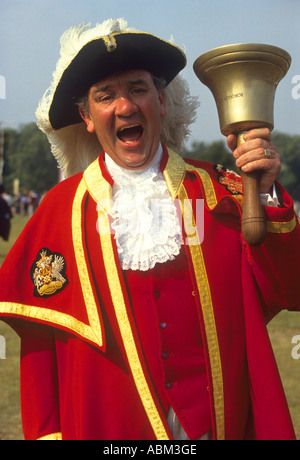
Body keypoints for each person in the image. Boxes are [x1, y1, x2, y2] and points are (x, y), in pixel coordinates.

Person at [0, 18, 299, 441]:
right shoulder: (59, 211)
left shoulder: (221, 194)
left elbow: (290, 288)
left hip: (219, 424)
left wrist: (264, 193)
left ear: (161, 101)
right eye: (106, 97)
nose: (125, 107)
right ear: (86, 117)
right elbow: (40, 346)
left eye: (138, 89)